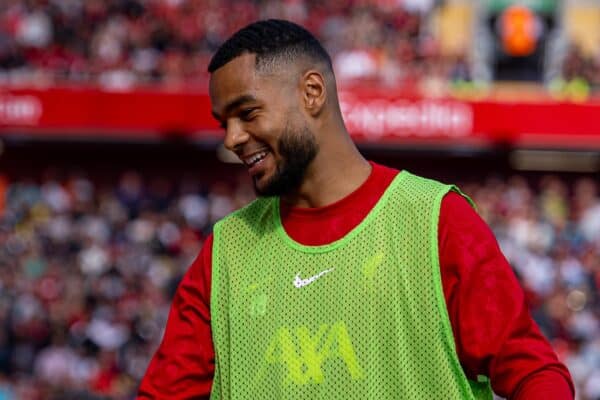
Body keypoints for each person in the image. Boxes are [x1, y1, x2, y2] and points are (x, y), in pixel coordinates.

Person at [137, 19, 574, 399]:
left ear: (312, 92)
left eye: (247, 113)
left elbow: (534, 374)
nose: (231, 138)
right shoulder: (226, 253)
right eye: (223, 123)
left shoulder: (436, 219)